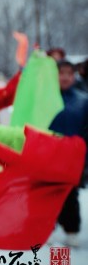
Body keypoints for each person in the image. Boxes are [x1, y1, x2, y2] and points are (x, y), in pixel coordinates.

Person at [51, 59, 88, 248]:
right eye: (61, 73)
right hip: (48, 155)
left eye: (68, 73)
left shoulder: (83, 100)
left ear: (74, 76)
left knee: (69, 195)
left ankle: (71, 230)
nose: (65, 77)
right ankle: (47, 228)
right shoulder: (47, 98)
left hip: (73, 158)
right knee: (46, 194)